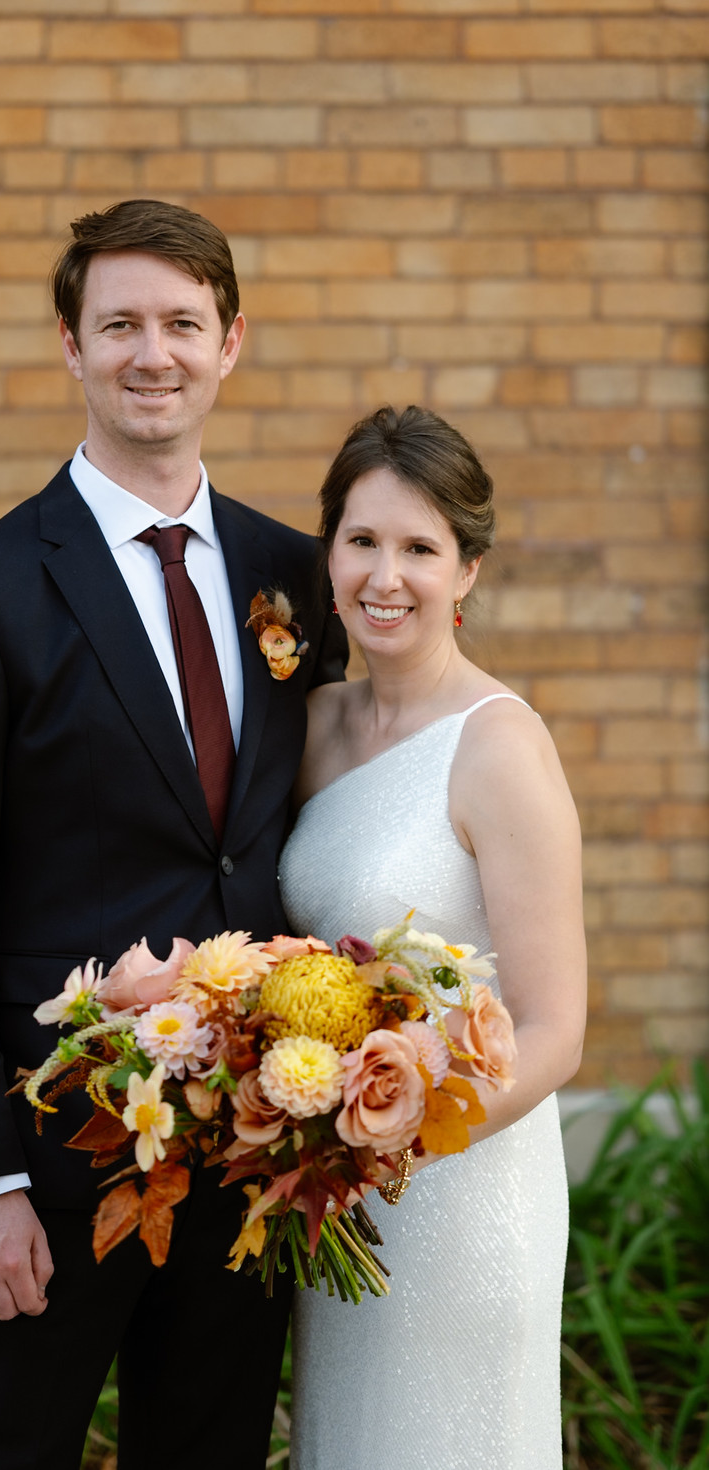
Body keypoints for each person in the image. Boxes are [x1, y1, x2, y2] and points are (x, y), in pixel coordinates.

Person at [0, 198, 348, 1470]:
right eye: (121, 324)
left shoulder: (292, 575)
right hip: (50, 1159)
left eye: (182, 323)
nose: (155, 353)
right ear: (71, 349)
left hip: (249, 1149)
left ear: (230, 343)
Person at [279, 405, 586, 1470]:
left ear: (466, 573)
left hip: (457, 1185)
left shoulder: (498, 746)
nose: (385, 576)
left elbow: (555, 1030)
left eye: (419, 548)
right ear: (328, 554)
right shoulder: (312, 728)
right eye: (361, 541)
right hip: (333, 1193)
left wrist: (399, 1138)